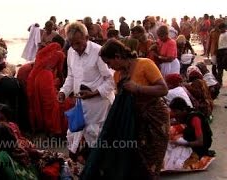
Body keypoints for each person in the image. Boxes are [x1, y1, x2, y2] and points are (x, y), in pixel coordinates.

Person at [97, 39, 169, 179]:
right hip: (135, 121)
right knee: (136, 160)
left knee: (152, 160)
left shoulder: (144, 64)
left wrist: (138, 88)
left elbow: (163, 89)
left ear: (118, 56)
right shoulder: (118, 75)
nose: (110, 67)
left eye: (109, 63)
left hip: (155, 118)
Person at [58, 22, 115, 158]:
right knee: (74, 134)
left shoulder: (99, 52)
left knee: (96, 137)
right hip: (80, 103)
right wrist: (63, 92)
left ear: (87, 37)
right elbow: (71, 76)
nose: (75, 47)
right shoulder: (71, 52)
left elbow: (112, 79)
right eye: (71, 43)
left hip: (99, 104)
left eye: (78, 43)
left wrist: (94, 93)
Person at [27, 42, 71, 136]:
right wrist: (64, 84)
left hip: (37, 79)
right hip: (47, 78)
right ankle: (54, 129)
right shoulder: (60, 54)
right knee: (52, 105)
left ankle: (45, 127)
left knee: (42, 103)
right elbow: (60, 72)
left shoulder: (43, 54)